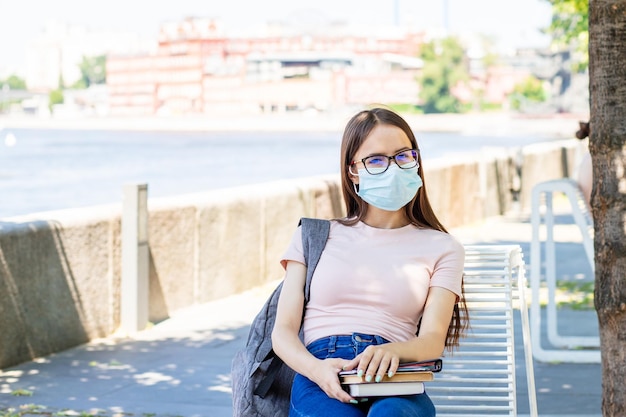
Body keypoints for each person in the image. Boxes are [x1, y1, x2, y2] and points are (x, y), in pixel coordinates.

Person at [271, 107, 467, 417]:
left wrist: (391, 350)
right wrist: (316, 370)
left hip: (396, 370)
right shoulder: (313, 236)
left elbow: (431, 340)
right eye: (376, 160)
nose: (393, 167)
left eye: (403, 156)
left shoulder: (444, 248)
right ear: (353, 170)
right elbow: (282, 331)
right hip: (322, 368)